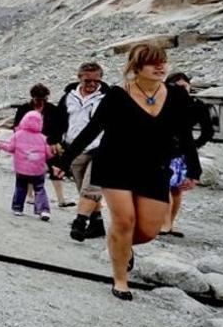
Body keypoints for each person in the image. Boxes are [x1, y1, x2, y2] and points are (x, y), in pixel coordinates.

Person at [53, 44, 202, 301]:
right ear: (136, 67)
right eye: (152, 63)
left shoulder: (177, 95)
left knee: (148, 230)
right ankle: (120, 279)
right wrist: (64, 160)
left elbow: (185, 133)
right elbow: (92, 129)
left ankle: (123, 246)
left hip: (154, 168)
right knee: (124, 221)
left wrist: (194, 168)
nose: (160, 67)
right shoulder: (118, 95)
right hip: (115, 164)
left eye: (162, 61)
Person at [58, 62, 110, 241]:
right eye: (88, 80)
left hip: (101, 149)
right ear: (79, 78)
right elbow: (59, 120)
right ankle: (97, 224)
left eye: (97, 80)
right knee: (83, 188)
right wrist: (56, 141)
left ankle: (79, 223)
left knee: (91, 188)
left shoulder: (107, 98)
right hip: (75, 148)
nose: (92, 84)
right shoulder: (68, 97)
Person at [160, 72, 214, 237]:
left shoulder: (196, 105)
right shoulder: (163, 102)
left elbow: (207, 131)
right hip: (168, 149)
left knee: (173, 188)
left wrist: (195, 145)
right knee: (168, 187)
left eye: (183, 86)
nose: (180, 90)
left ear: (190, 86)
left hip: (179, 151)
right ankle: (166, 224)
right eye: (176, 87)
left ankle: (168, 224)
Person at [13, 83, 72, 208]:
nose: (40, 101)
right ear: (32, 97)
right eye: (37, 99)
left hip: (50, 143)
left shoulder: (52, 109)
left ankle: (61, 199)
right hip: (30, 144)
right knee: (29, 169)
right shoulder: (24, 109)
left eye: (43, 99)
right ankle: (30, 196)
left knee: (55, 168)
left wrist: (56, 141)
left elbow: (61, 126)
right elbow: (17, 126)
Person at [0, 110, 55, 220]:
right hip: (38, 169)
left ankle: (18, 208)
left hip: (21, 169)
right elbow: (49, 154)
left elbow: (10, 148)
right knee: (39, 189)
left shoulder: (18, 135)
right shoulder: (43, 138)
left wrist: (0, 145)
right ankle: (43, 210)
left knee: (20, 187)